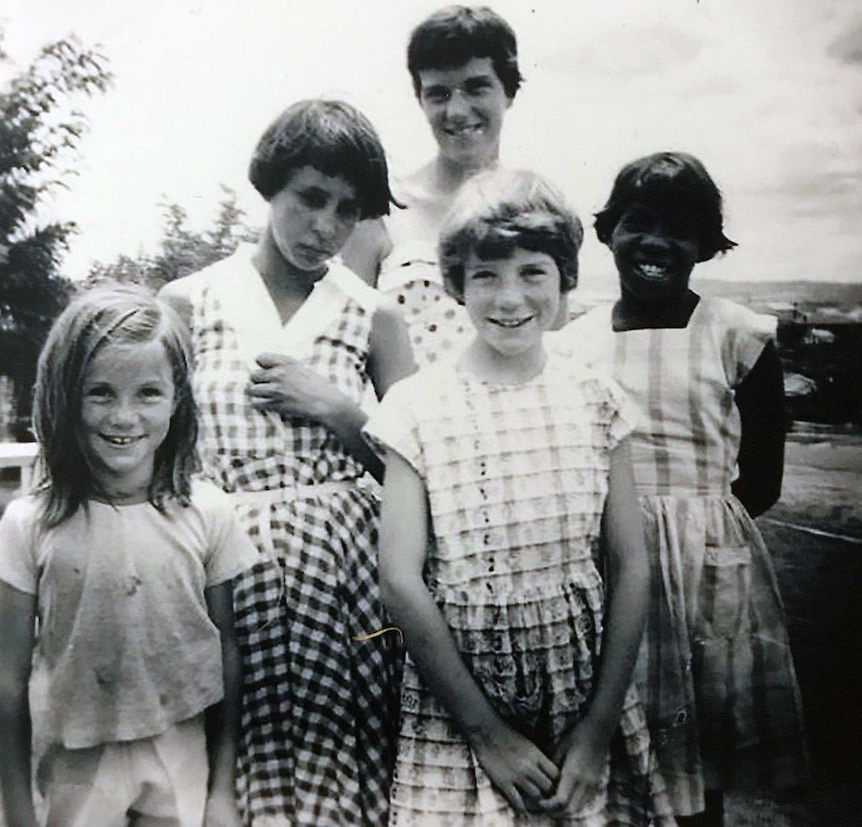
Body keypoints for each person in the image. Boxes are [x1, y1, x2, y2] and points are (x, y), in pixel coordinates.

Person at [365, 169, 675, 825]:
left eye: (533, 272)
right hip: (458, 705)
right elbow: (399, 581)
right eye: (486, 276)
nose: (510, 298)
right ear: (456, 285)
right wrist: (487, 735)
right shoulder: (415, 406)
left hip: (581, 692)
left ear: (564, 278)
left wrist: (595, 730)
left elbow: (631, 565)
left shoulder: (596, 398)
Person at [160, 99, 416, 826]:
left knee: (339, 776)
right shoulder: (190, 301)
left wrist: (342, 413)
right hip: (219, 572)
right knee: (222, 777)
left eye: (349, 209)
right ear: (271, 185)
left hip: (339, 583)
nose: (326, 227)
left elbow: (419, 470)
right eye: (310, 199)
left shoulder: (374, 314)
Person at [552, 152, 808, 826]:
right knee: (609, 754)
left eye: (681, 228)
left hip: (706, 578)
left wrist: (690, 534)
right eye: (639, 223)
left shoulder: (737, 336)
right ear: (608, 233)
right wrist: (628, 538)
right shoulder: (574, 346)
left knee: (696, 760)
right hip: (606, 569)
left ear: (706, 244)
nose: (658, 242)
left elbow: (762, 479)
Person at [0, 284, 257, 827]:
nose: (124, 417)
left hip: (178, 749)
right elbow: (9, 676)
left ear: (177, 398)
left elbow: (226, 651)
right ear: (67, 395)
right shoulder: (29, 524)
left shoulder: (208, 513)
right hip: (74, 760)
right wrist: (17, 807)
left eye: (147, 393)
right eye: (100, 393)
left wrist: (222, 788)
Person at [341, 5, 544, 366]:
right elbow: (347, 347)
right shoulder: (383, 209)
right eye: (439, 93)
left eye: (476, 87)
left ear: (509, 92)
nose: (457, 111)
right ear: (421, 99)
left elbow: (554, 347)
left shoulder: (539, 209)